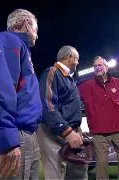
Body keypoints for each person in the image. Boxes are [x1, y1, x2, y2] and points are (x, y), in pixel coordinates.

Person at [0, 9, 41, 179]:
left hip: (23, 131)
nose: (37, 36)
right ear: (26, 24)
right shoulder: (6, 40)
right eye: (36, 29)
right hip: (12, 131)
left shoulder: (17, 46)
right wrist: (6, 140)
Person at [78, 56, 119, 180]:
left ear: (106, 67)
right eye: (95, 66)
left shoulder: (117, 83)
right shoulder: (86, 86)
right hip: (99, 132)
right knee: (101, 164)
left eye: (100, 65)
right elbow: (72, 95)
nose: (97, 68)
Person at [38, 46, 88, 180]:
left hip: (71, 131)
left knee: (77, 173)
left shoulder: (68, 78)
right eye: (77, 58)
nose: (78, 62)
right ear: (70, 57)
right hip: (55, 133)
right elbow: (47, 106)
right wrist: (67, 131)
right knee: (57, 175)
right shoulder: (52, 72)